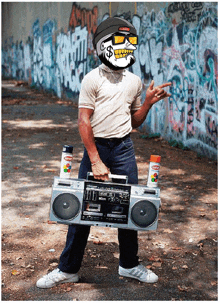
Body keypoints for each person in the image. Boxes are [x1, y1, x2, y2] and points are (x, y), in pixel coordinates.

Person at [36, 17, 171, 289]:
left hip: (123, 148)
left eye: (128, 44)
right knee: (80, 210)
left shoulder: (134, 81)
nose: (124, 49)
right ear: (102, 45)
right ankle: (67, 269)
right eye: (118, 43)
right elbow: (83, 121)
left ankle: (129, 265)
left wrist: (146, 104)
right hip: (96, 148)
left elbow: (134, 122)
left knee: (130, 208)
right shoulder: (91, 79)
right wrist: (95, 160)